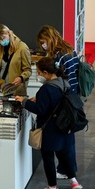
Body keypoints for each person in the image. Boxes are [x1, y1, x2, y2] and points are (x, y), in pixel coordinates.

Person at [15, 57, 83, 189]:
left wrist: (24, 102)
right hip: (65, 127)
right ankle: (74, 181)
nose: (38, 75)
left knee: (48, 158)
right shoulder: (64, 82)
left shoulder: (47, 88)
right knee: (64, 155)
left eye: (39, 72)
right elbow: (55, 102)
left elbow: (41, 109)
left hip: (51, 130)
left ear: (46, 72)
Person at [36, 25, 80, 178]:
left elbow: (59, 78)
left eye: (43, 42)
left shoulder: (59, 56)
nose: (42, 45)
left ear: (49, 38)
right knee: (68, 135)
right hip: (73, 96)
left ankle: (66, 170)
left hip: (64, 99)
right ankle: (68, 170)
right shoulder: (69, 48)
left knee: (64, 136)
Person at [0, 24, 32, 96]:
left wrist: (21, 78)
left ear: (8, 33)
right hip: (0, 89)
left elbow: (28, 70)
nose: (1, 41)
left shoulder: (22, 48)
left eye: (2, 38)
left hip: (15, 90)